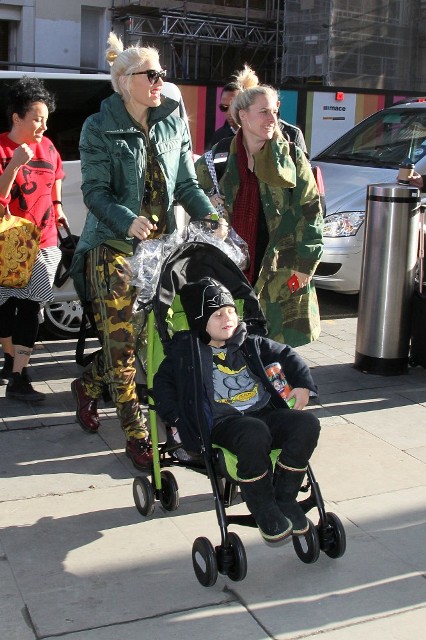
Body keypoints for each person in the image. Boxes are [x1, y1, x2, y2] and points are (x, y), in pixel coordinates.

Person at [70, 32, 217, 471]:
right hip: (112, 246)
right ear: (124, 81)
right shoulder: (99, 126)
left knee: (139, 338)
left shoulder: (173, 121)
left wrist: (209, 215)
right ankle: (137, 434)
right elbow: (94, 191)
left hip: (158, 250)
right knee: (121, 346)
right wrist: (126, 219)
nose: (159, 81)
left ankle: (88, 385)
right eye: (150, 74)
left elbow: (186, 184)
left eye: (161, 74)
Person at [153, 277, 321, 542]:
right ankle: (262, 505)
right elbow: (162, 384)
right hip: (223, 421)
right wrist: (177, 416)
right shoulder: (186, 352)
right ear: (199, 321)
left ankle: (284, 497)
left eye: (231, 311)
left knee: (306, 424)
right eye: (218, 314)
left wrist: (302, 384)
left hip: (264, 412)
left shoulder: (250, 343)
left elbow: (287, 354)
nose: (228, 318)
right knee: (253, 431)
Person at [195, 65, 323, 348]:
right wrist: (209, 208)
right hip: (231, 271)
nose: (272, 119)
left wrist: (305, 265)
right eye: (264, 111)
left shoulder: (292, 159)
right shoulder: (216, 160)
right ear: (243, 115)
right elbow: (193, 204)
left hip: (280, 270)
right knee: (233, 345)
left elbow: (311, 213)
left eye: (274, 111)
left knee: (276, 347)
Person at [0, 77, 67, 400]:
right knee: (5, 306)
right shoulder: (2, 149)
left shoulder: (48, 146)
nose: (43, 126)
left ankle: (19, 376)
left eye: (46, 120)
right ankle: (10, 357)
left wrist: (58, 205)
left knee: (30, 307)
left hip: (44, 242)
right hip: (8, 245)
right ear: (17, 118)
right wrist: (14, 165)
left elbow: (57, 175)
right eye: (37, 119)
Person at [206, 77, 308, 154]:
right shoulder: (220, 138)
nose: (229, 112)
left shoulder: (292, 135)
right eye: (224, 107)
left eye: (273, 111)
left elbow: (304, 173)